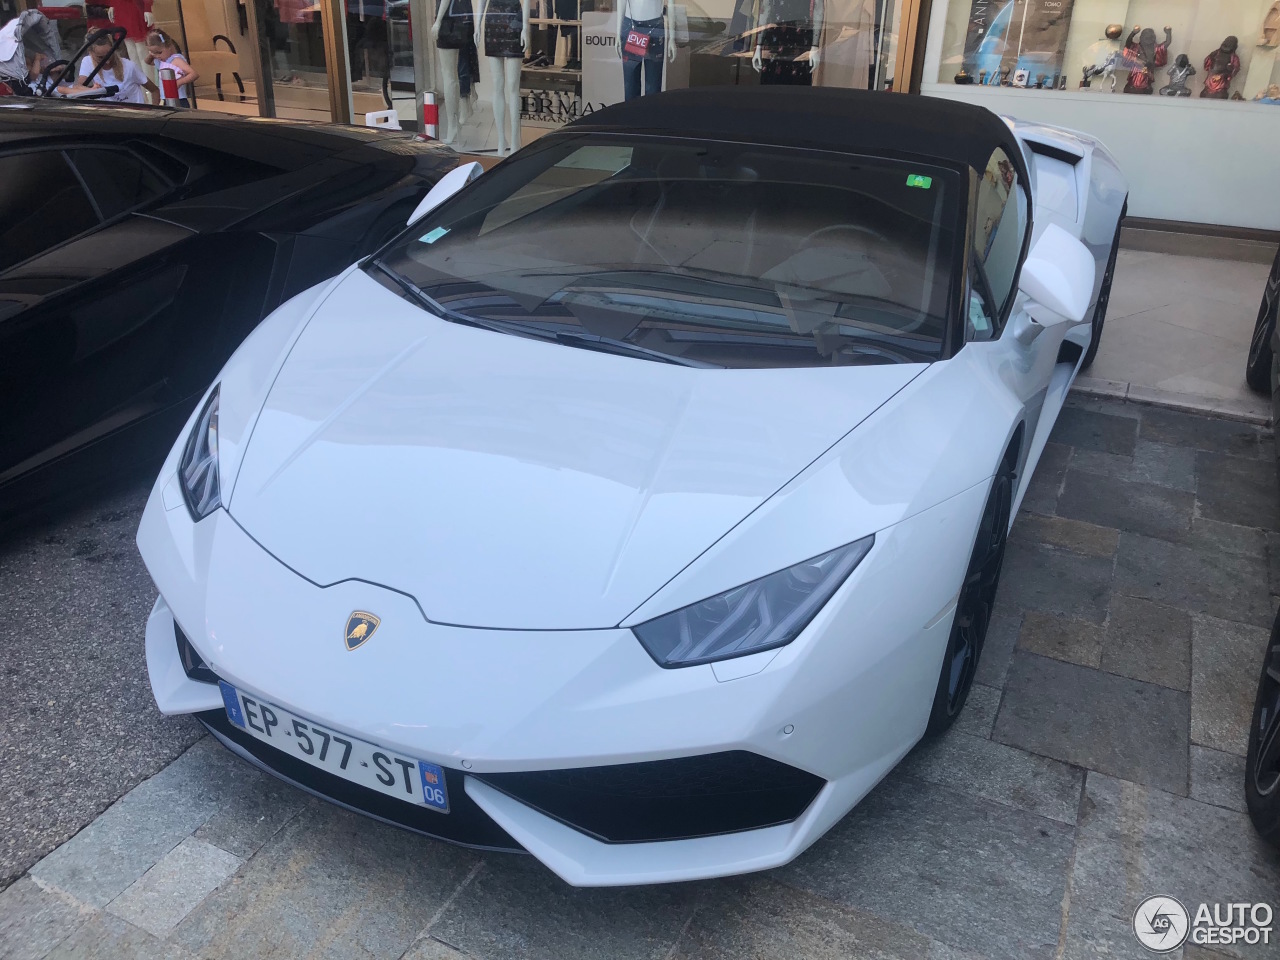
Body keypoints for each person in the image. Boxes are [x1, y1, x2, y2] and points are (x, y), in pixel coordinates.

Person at [79, 32, 157, 103]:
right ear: (91, 53)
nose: (107, 61)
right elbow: (78, 88)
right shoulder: (87, 62)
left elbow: (155, 90)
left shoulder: (129, 66)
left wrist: (154, 114)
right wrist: (91, 91)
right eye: (100, 57)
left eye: (109, 55)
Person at [144, 28, 197, 105]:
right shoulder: (161, 61)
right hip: (166, 99)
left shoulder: (176, 60)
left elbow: (194, 74)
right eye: (153, 53)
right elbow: (147, 62)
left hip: (179, 99)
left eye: (159, 52)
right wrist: (152, 54)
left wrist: (179, 82)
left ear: (168, 46)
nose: (157, 56)